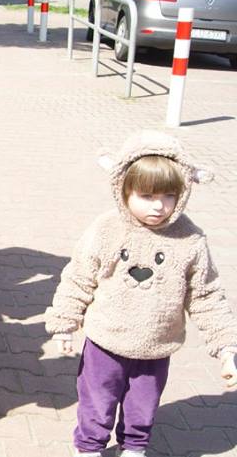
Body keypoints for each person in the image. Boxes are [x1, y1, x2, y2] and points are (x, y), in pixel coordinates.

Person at [45, 131, 237, 457]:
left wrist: (225, 347)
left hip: (156, 347)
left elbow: (205, 296)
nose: (159, 206)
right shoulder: (107, 230)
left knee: (143, 405)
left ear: (183, 193)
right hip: (106, 342)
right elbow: (79, 277)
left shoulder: (189, 239)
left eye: (169, 196)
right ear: (123, 188)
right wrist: (64, 322)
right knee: (97, 399)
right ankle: (89, 446)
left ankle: (134, 446)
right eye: (147, 196)